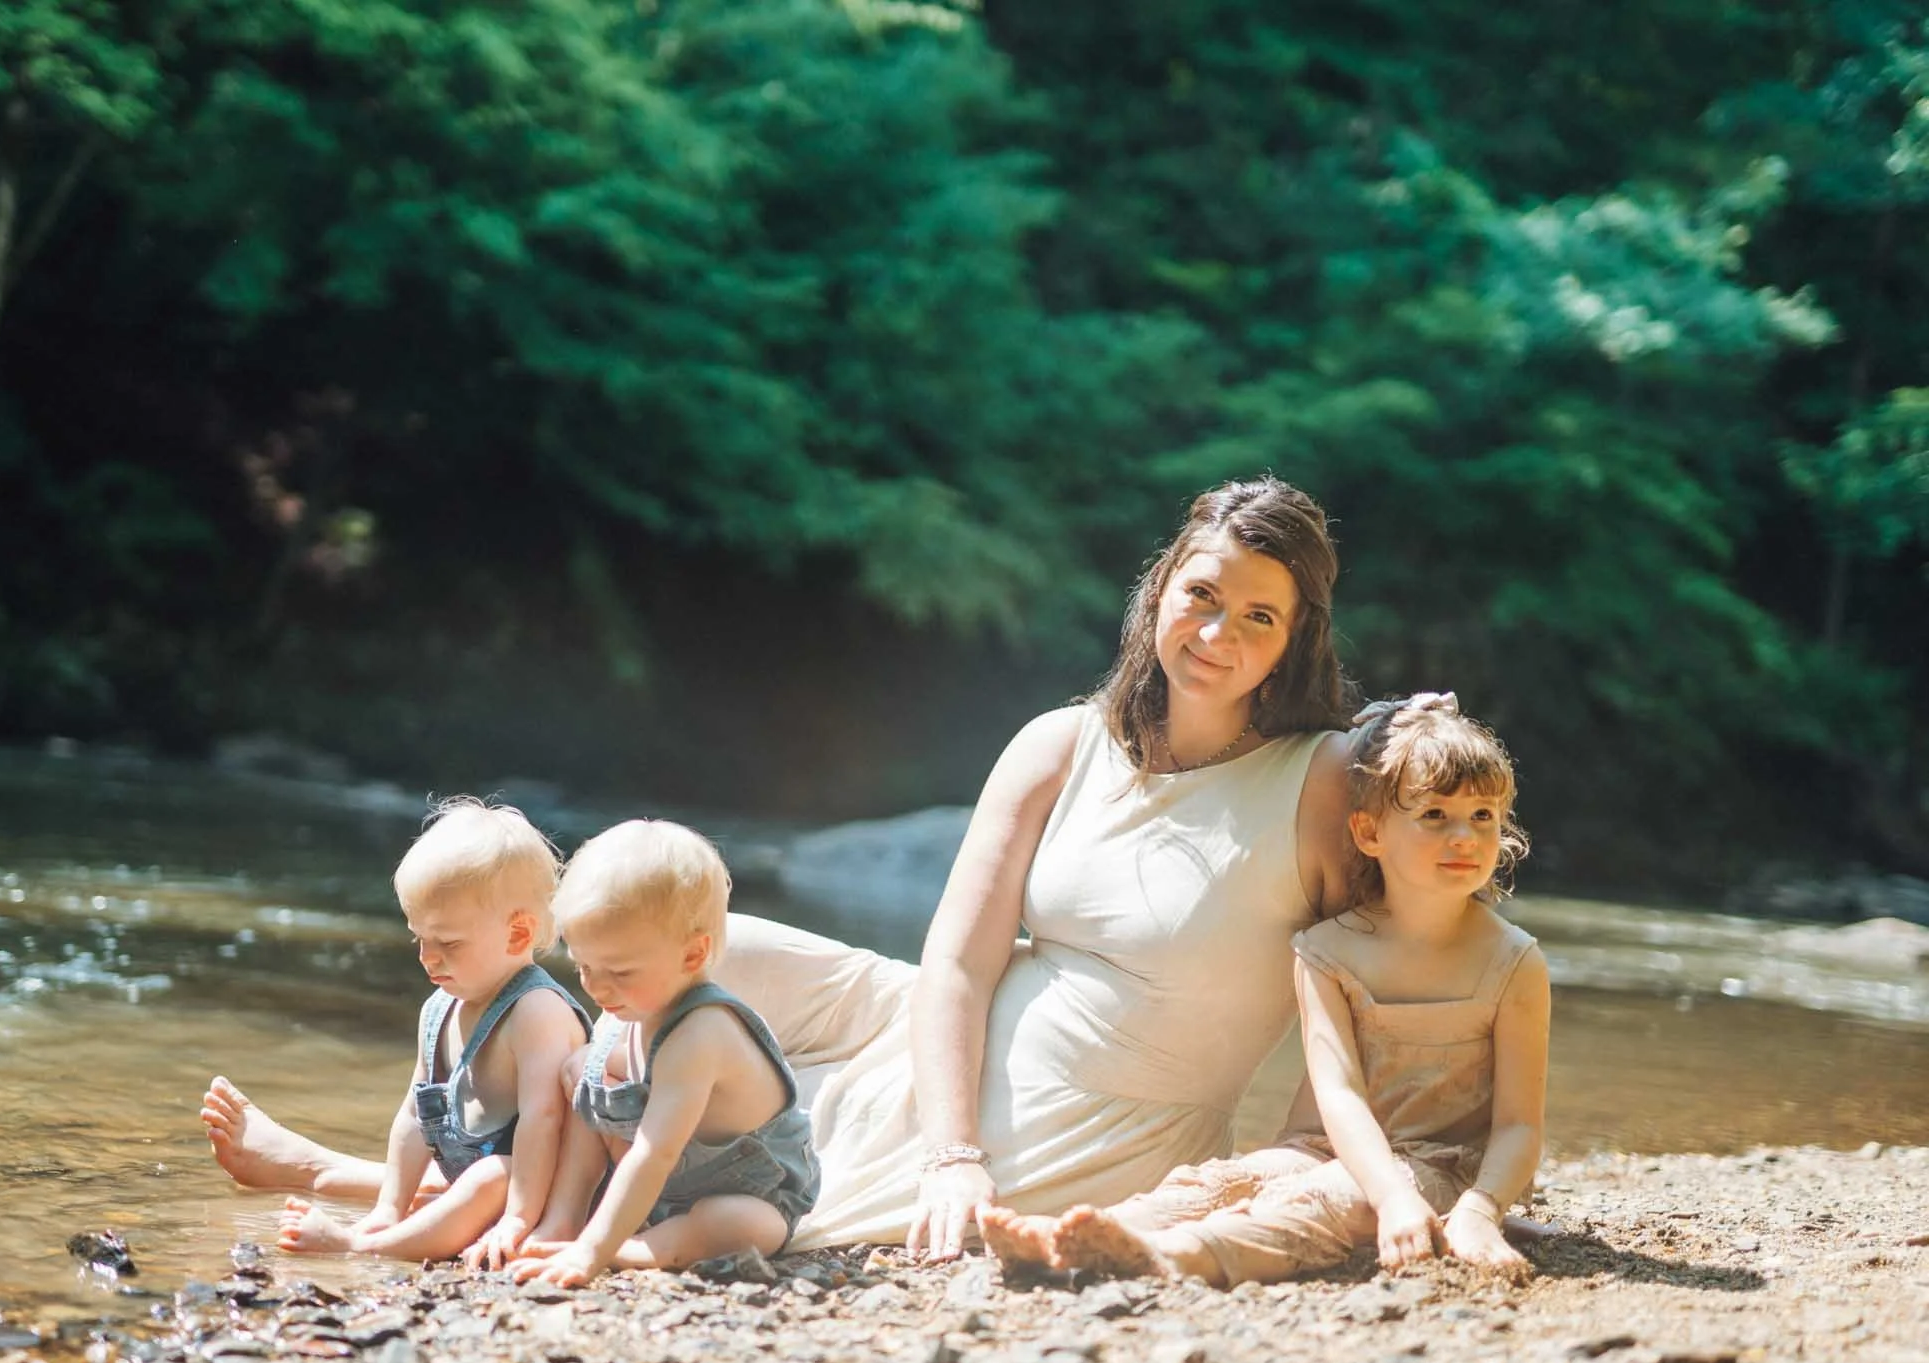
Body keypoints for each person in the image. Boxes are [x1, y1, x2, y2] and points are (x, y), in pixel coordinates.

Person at [207, 476, 1358, 1261]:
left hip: (1091, 1111)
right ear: (1161, 589)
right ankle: (458, 1177)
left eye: (1260, 616)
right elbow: (956, 963)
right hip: (932, 1028)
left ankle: (362, 1183)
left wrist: (1315, 1144)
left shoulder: (1321, 785)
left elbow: (1379, 959)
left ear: (1295, 638)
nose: (1218, 631)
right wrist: (951, 1140)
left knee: (718, 1147)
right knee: (651, 956)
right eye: (1201, 595)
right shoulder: (1060, 743)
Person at [979, 693, 1549, 1284]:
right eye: (1434, 815)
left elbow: (1518, 1126)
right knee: (1221, 1181)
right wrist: (1388, 1192)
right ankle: (1084, 1231)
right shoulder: (1328, 949)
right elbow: (1341, 1094)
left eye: (1482, 816)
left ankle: (1177, 1255)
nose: (1464, 837)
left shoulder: (1512, 962)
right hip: (1320, 1146)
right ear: (1369, 832)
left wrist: (1479, 1210)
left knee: (1320, 1200)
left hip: (1442, 1166)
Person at [270, 799, 592, 1264]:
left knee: (489, 1178)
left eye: (448, 943)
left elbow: (544, 1121)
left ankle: (361, 1246)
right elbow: (414, 1117)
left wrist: (520, 1220)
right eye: (418, 937)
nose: (427, 956)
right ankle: (384, 1223)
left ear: (518, 935)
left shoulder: (536, 1012)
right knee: (464, 1182)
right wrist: (389, 1205)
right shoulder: (439, 1008)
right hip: (474, 1179)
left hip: (537, 1189)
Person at [509, 821, 820, 1286]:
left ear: (693, 957)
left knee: (738, 1226)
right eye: (582, 965)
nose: (595, 986)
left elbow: (655, 1153)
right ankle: (566, 1219)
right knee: (583, 1073)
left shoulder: (701, 1033)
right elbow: (605, 1116)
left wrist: (592, 1255)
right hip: (667, 1184)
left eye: (619, 970)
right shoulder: (632, 1004)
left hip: (749, 1192)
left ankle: (626, 1249)